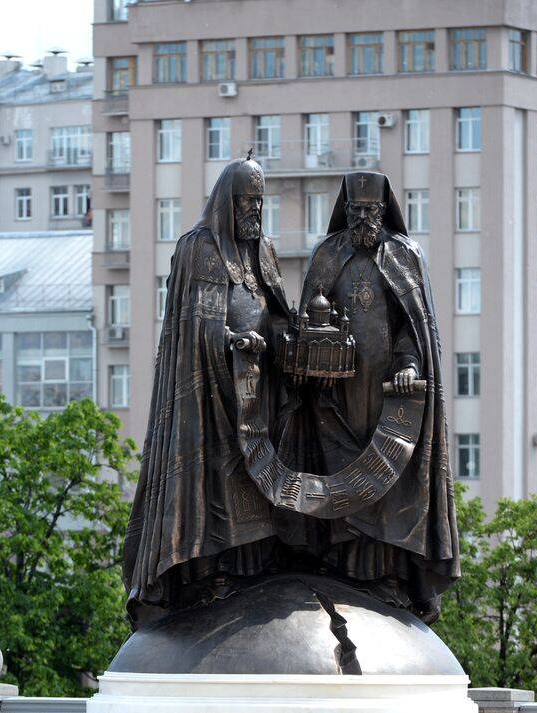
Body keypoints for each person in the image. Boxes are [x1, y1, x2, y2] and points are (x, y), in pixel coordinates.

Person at [123, 154, 292, 620]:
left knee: (261, 479)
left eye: (259, 202)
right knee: (211, 479)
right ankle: (209, 573)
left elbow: (275, 307)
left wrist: (287, 339)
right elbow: (196, 322)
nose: (254, 212)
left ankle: (253, 567)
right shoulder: (200, 246)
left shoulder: (264, 250)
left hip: (258, 388)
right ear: (226, 203)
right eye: (246, 202)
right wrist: (231, 340)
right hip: (208, 394)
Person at [295, 171, 459, 621]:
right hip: (336, 393)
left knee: (388, 475)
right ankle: (338, 566)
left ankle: (389, 575)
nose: (362, 219)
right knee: (339, 469)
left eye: (370, 211)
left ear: (384, 212)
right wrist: (311, 364)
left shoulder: (404, 255)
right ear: (344, 211)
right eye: (355, 211)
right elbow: (308, 316)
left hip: (389, 393)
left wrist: (409, 364)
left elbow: (415, 325)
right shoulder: (328, 254)